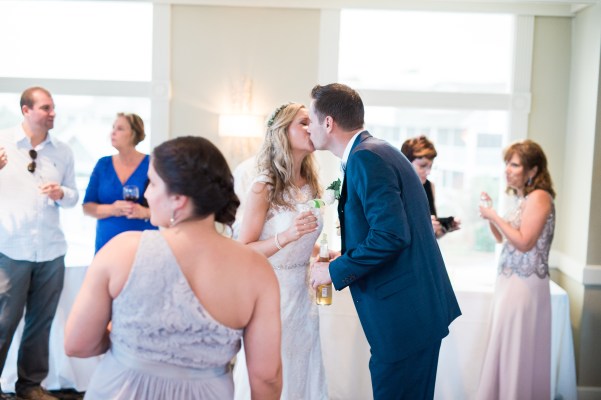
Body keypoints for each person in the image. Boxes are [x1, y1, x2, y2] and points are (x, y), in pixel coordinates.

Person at [64, 136, 282, 400]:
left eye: (153, 183)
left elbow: (78, 344)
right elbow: (267, 377)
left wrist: (129, 343)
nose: (146, 194)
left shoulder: (121, 250)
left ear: (178, 199)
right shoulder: (256, 268)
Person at [308, 83, 461, 400]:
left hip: (404, 317)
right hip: (412, 312)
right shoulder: (377, 150)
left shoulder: (366, 158)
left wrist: (334, 271)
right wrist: (342, 256)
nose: (309, 127)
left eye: (311, 119)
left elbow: (391, 235)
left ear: (328, 122)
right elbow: (385, 229)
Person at [232, 102, 328, 400]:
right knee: (273, 370)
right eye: (303, 122)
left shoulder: (311, 184)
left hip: (303, 296)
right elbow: (244, 250)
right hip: (271, 293)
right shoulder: (263, 185)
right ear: (283, 132)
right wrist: (286, 236)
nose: (311, 127)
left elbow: (303, 240)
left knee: (302, 367)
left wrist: (320, 254)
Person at [0, 87, 79, 400]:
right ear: (26, 110)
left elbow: (73, 197)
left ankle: (30, 386)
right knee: (3, 322)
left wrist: (62, 193)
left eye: (53, 107)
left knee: (41, 323)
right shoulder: (2, 143)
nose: (52, 113)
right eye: (46, 108)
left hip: (51, 250)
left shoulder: (63, 151)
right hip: (11, 249)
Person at [477, 139, 555, 400]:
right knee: (506, 344)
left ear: (533, 170)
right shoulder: (523, 199)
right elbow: (501, 238)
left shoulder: (540, 197)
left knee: (516, 346)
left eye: (514, 165)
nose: (507, 170)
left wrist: (494, 216)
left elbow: (524, 242)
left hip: (525, 285)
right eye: (507, 164)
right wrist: (491, 216)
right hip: (509, 283)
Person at [83, 113, 156, 253]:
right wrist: (112, 209)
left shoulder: (152, 164)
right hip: (107, 243)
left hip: (142, 243)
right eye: (113, 128)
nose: (113, 132)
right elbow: (87, 207)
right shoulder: (103, 164)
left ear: (133, 134)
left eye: (120, 129)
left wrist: (145, 212)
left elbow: (168, 207)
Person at [400, 135, 461, 238]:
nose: (428, 172)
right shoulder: (395, 188)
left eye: (430, 167)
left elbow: (433, 235)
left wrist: (445, 227)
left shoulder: (429, 186)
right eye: (422, 166)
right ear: (406, 163)